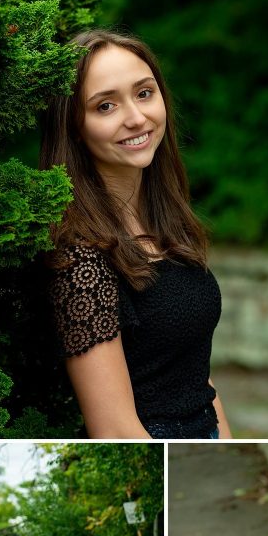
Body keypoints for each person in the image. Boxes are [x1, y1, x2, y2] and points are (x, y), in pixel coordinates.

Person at [41, 29, 232, 441]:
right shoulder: (81, 261)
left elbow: (196, 373)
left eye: (144, 93)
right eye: (105, 105)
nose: (135, 117)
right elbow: (114, 430)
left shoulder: (168, 225)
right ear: (74, 127)